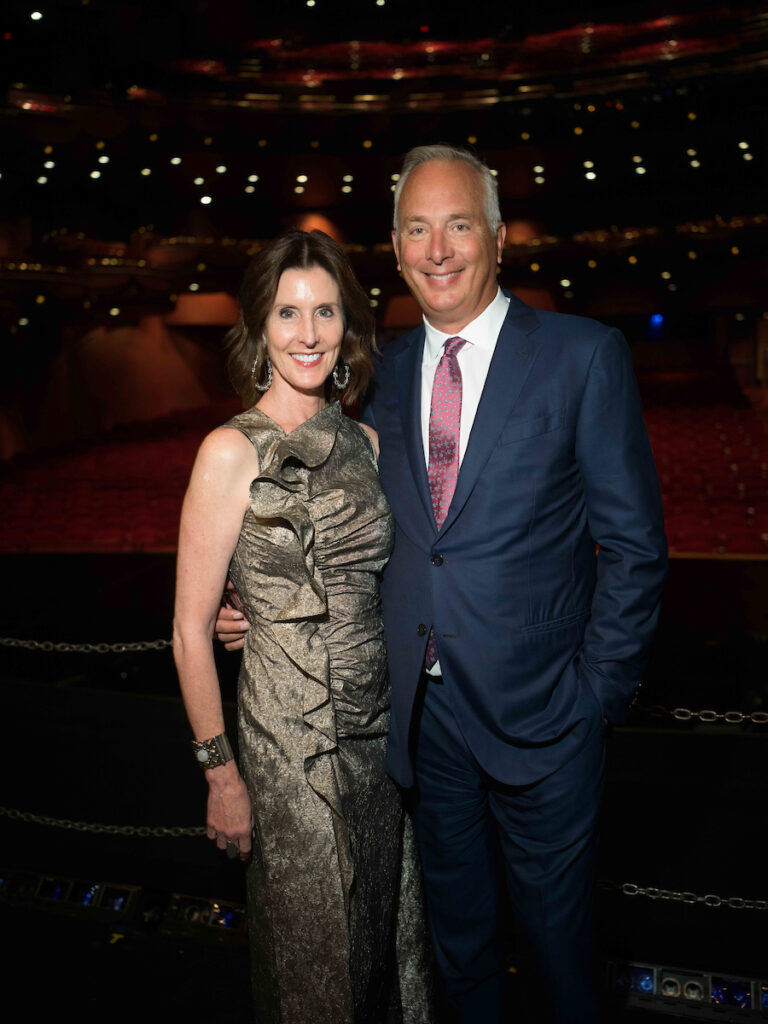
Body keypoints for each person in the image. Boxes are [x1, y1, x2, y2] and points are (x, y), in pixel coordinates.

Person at [218, 146, 667, 1023]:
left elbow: (636, 548)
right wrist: (265, 614)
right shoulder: (372, 379)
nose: (439, 248)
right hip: (425, 734)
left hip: (549, 723)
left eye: (458, 224)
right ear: (394, 245)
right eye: (417, 228)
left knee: (560, 965)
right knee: (456, 958)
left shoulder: (583, 356)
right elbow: (336, 529)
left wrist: (596, 697)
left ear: (497, 236)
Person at [174, 229, 433, 1024]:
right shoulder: (227, 452)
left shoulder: (371, 444)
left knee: (384, 948)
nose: (309, 334)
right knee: (313, 963)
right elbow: (188, 631)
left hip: (377, 738)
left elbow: (388, 586)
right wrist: (222, 775)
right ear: (260, 327)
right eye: (288, 313)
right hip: (286, 747)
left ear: (348, 327)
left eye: (325, 313)